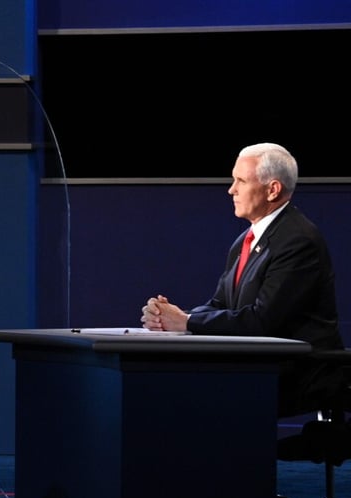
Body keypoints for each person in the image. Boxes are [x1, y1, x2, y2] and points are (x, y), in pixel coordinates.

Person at [139, 142, 344, 417]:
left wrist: (186, 322)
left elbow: (263, 320)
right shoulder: (245, 241)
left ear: (272, 189)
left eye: (241, 181)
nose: (231, 189)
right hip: (255, 363)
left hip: (299, 370)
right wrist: (172, 318)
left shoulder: (298, 241)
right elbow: (220, 304)